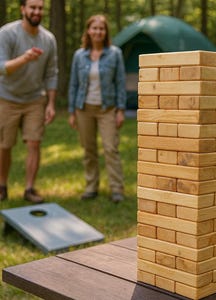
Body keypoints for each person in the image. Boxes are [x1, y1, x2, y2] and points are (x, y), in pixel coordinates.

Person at [0, 0, 58, 203]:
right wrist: (24, 58)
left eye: (40, 8)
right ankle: (2, 185)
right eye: (32, 7)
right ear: (23, 9)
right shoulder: (7, 33)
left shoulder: (48, 39)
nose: (36, 11)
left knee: (34, 142)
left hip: (35, 99)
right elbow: (1, 67)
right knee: (4, 145)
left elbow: (51, 73)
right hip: (7, 97)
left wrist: (51, 103)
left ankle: (29, 189)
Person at [68, 14, 126, 203]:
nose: (98, 32)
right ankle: (91, 186)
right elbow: (74, 84)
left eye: (101, 29)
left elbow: (120, 82)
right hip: (84, 109)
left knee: (110, 148)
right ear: (88, 31)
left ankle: (117, 189)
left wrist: (120, 110)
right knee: (89, 149)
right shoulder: (79, 55)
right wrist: (72, 111)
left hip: (107, 109)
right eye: (94, 28)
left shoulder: (115, 53)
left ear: (106, 32)